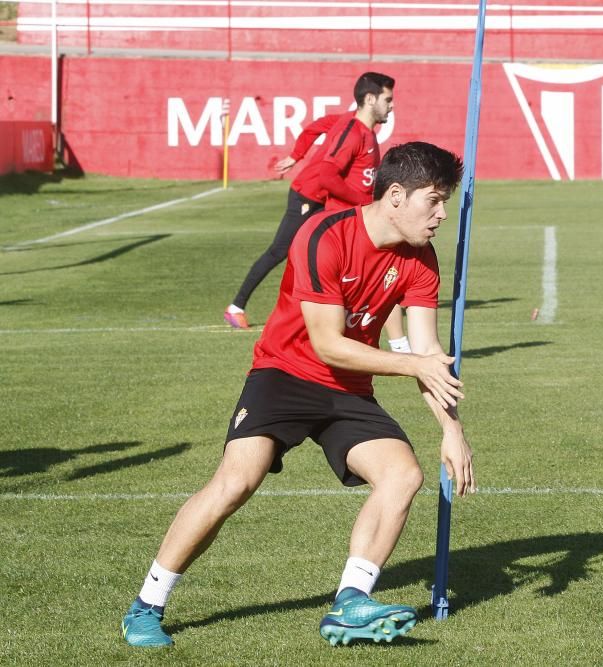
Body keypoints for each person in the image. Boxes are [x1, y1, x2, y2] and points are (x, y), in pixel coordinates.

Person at [123, 141, 474, 648]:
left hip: (349, 388)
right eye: (435, 200)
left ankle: (351, 603)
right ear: (396, 195)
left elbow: (428, 352)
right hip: (283, 374)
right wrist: (413, 363)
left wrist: (451, 429)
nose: (442, 214)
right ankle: (146, 604)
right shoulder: (324, 234)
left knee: (403, 475)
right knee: (237, 482)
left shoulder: (421, 260)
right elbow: (329, 344)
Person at [225, 71, 411, 355]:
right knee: (281, 251)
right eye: (388, 99)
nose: (392, 105)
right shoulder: (350, 127)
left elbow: (318, 133)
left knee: (328, 259)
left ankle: (332, 321)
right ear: (370, 99)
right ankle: (236, 306)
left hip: (327, 198)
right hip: (308, 194)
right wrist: (297, 156)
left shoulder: (362, 129)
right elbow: (320, 153)